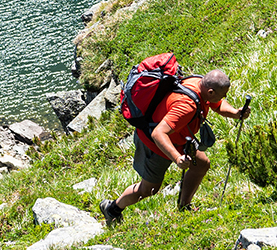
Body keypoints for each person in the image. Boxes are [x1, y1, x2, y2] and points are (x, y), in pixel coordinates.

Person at [100, 68, 248, 225]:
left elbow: (217, 104)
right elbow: (158, 134)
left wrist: (236, 113)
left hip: (179, 139)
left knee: (201, 164)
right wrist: (177, 158)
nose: (224, 97)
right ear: (210, 91)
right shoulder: (186, 106)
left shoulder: (200, 84)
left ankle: (184, 207)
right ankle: (112, 208)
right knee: (148, 189)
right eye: (222, 94)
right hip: (155, 144)